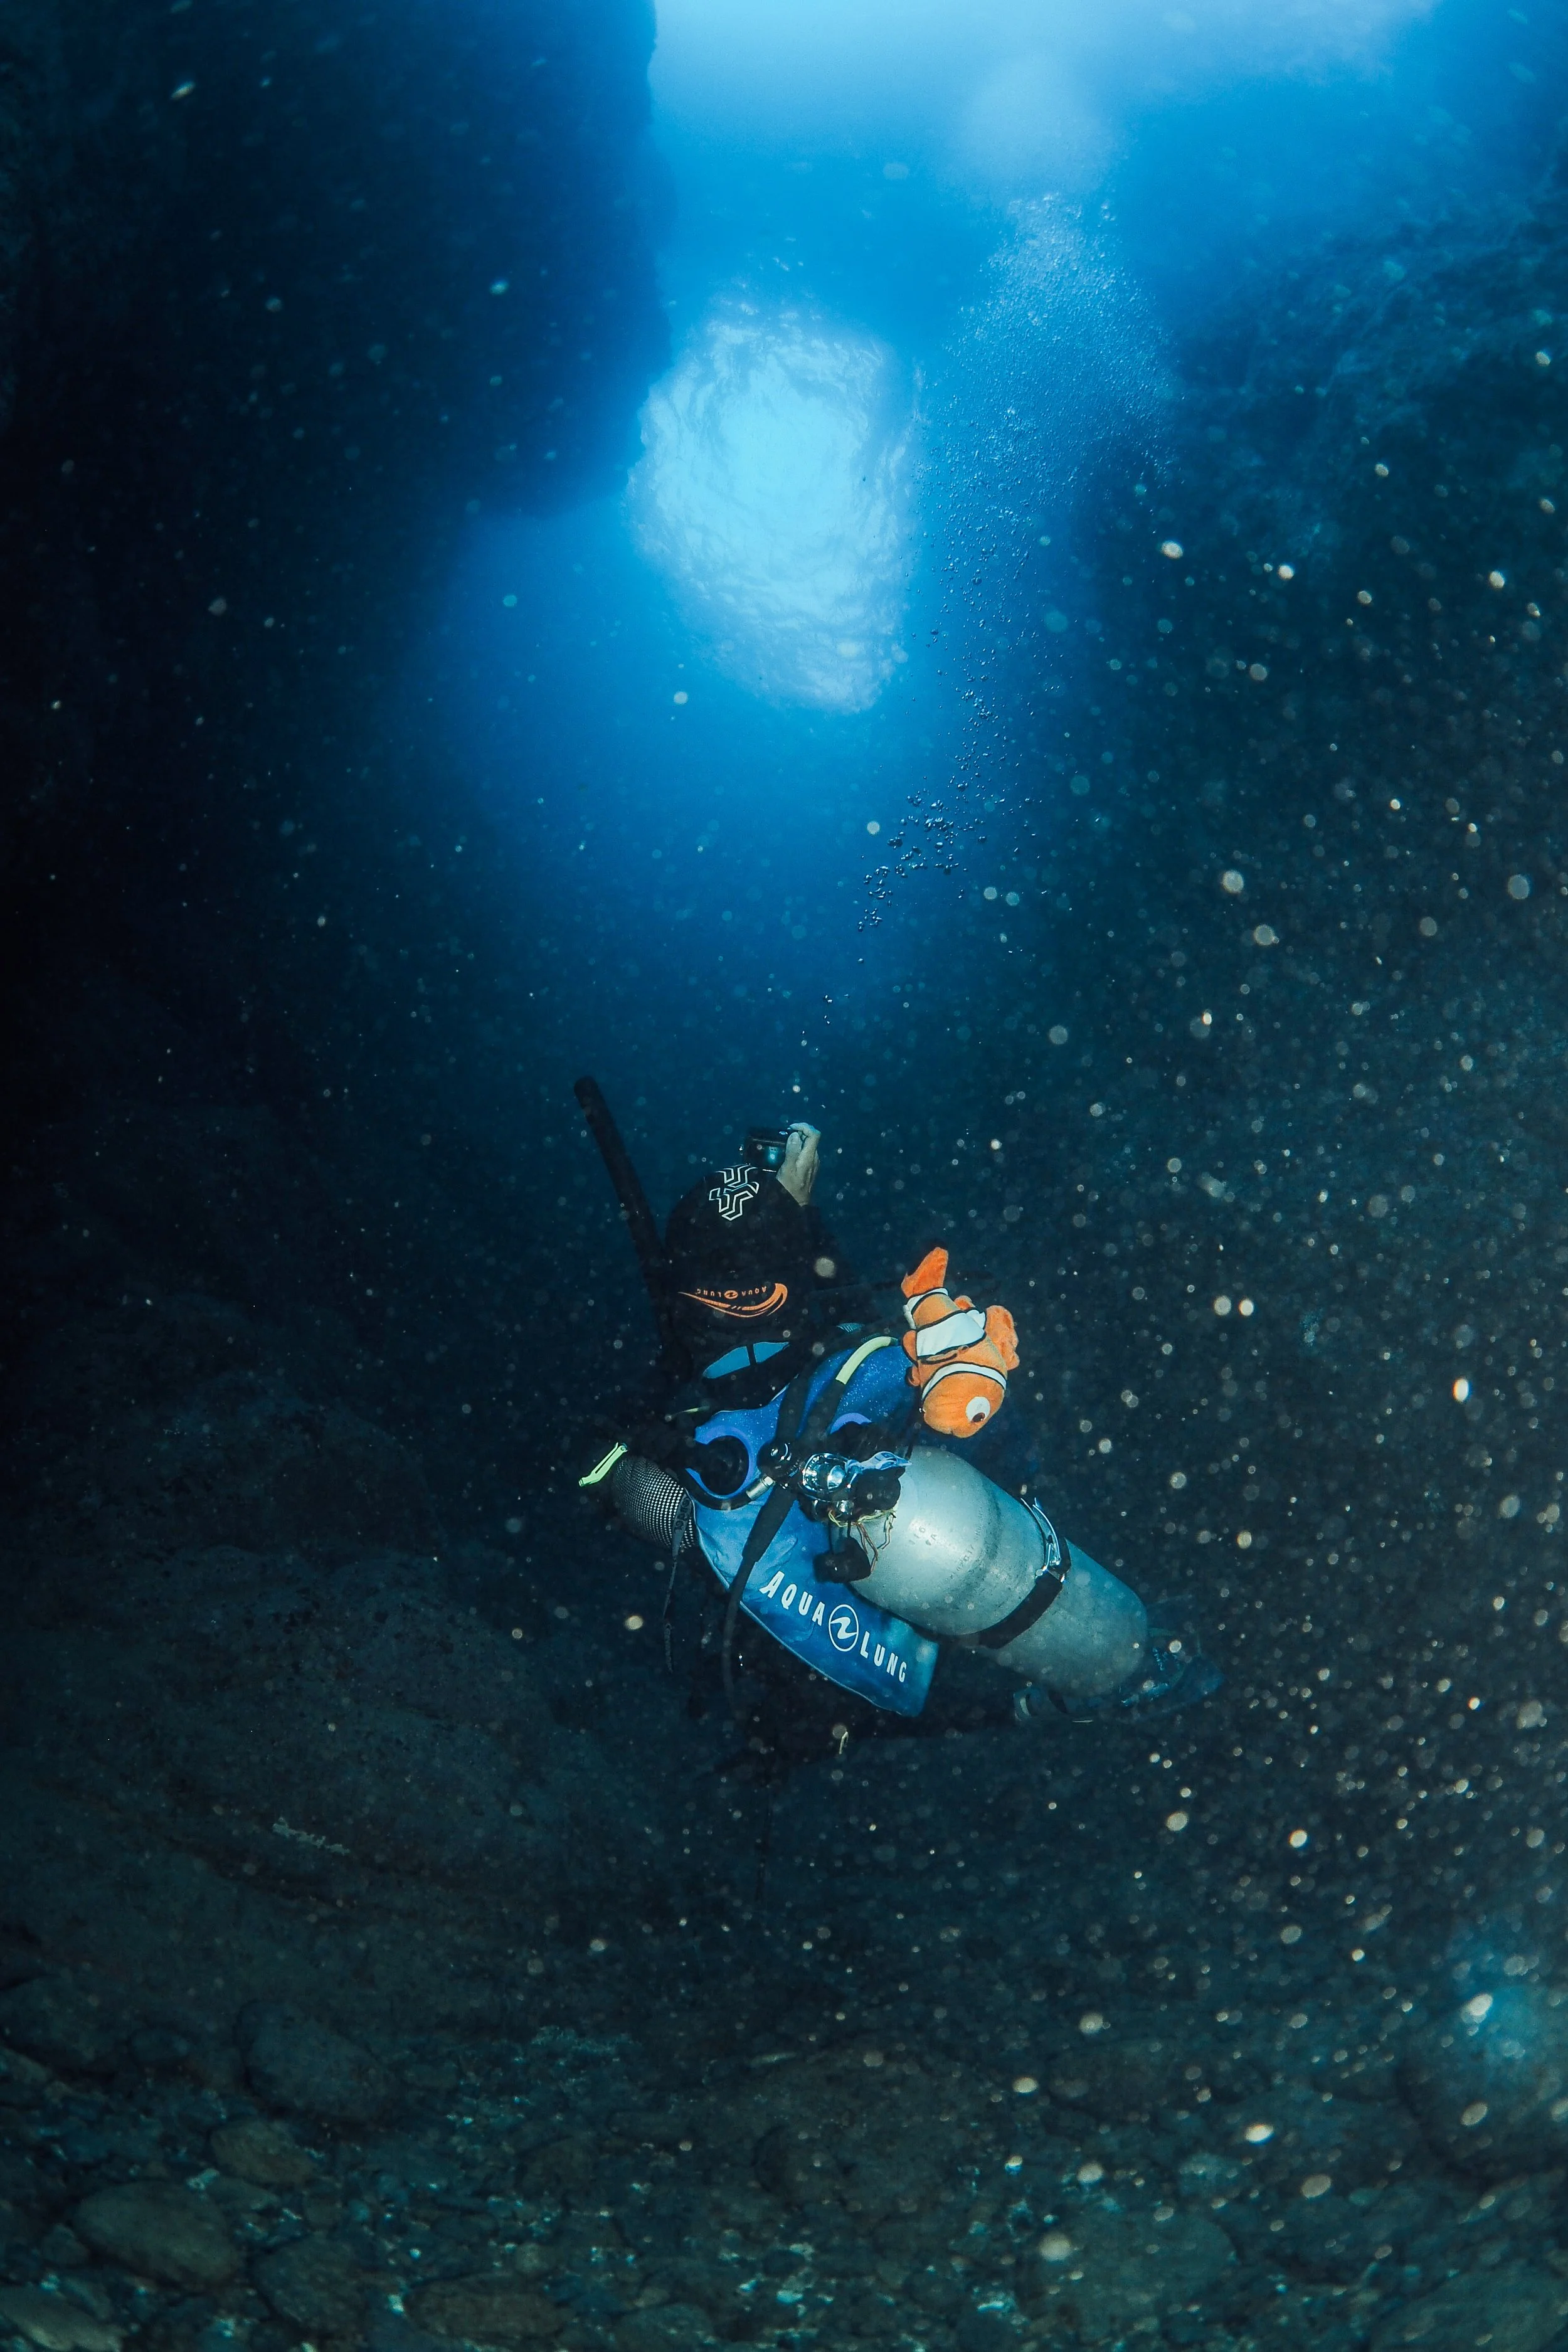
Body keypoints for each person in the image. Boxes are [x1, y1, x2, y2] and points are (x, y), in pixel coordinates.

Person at [579, 1116, 1219, 1766]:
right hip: (927, 1621)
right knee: (855, 1700)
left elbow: (631, 1472)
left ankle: (1044, 1706)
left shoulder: (698, 1431)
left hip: (819, 1680)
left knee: (823, 1717)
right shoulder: (879, 1363)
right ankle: (1065, 1698)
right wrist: (795, 1219)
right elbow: (1012, 1469)